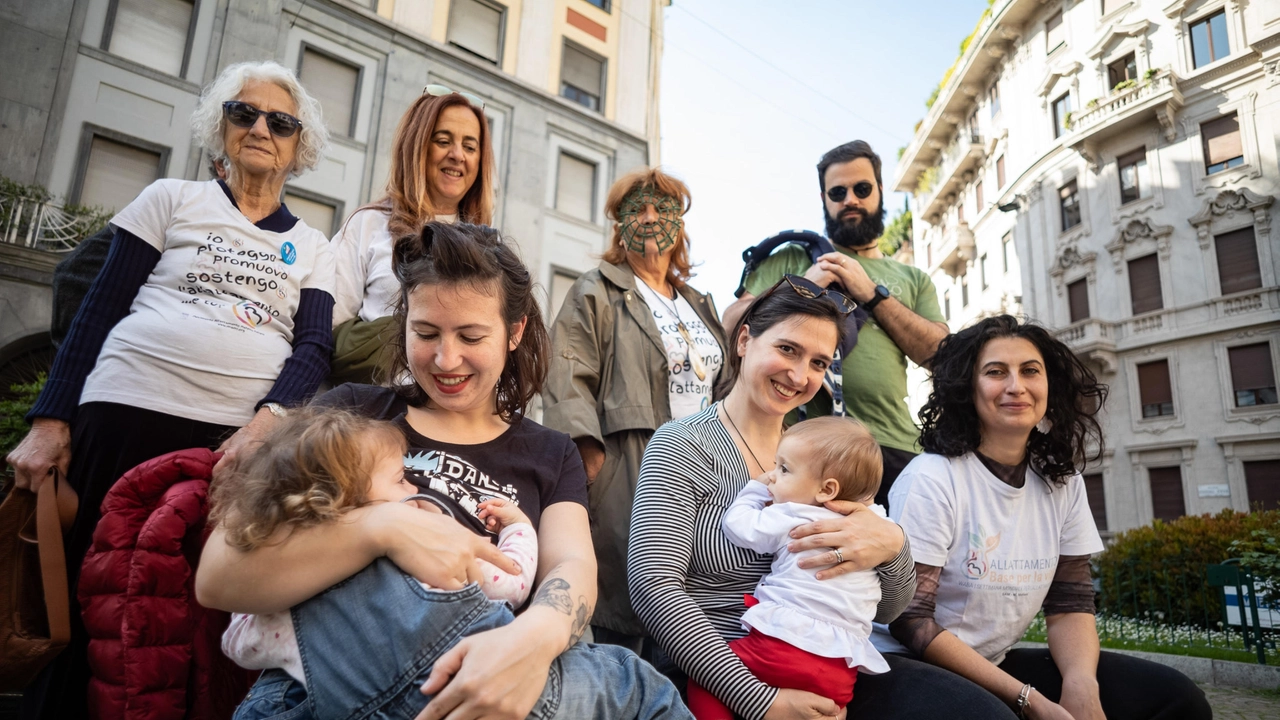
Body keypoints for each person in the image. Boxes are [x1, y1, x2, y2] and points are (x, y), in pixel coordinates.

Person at [198, 221, 682, 720]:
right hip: (325, 679)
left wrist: (531, 642)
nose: (445, 358)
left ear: (515, 332)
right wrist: (381, 528)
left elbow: (572, 568)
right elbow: (218, 575)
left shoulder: (551, 452)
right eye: (425, 333)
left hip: (485, 669)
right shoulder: (352, 413)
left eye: (471, 335)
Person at [8, 60, 335, 720]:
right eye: (243, 113)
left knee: (187, 622)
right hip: (123, 414)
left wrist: (266, 424)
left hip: (230, 446)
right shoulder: (168, 200)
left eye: (280, 121)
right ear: (220, 127)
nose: (260, 128)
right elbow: (98, 309)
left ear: (300, 146)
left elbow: (314, 349)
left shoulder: (313, 245)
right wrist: (50, 419)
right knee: (85, 597)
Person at [213, 407, 687, 720]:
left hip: (306, 700)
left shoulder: (291, 570)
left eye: (470, 335)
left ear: (514, 332)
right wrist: (517, 527)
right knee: (645, 688)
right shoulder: (428, 536)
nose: (414, 489)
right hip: (467, 685)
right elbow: (511, 582)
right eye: (401, 479)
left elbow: (242, 642)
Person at [875, 315, 1211, 720]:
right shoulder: (932, 478)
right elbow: (910, 623)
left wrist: (1081, 684)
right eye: (996, 372)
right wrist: (1028, 700)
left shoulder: (1061, 482)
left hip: (990, 663)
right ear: (968, 388)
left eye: (1030, 371)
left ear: (1049, 387)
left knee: (1175, 696)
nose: (1016, 386)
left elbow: (1070, 601)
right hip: (902, 664)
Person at [629, 275, 916, 720]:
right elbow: (653, 589)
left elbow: (890, 606)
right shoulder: (682, 445)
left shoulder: (825, 460)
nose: (800, 376)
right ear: (744, 340)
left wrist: (893, 547)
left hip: (823, 667)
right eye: (787, 349)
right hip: (712, 675)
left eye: (819, 363)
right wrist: (762, 701)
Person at [544, 167, 726, 652]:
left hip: (709, 477)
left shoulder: (699, 303)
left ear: (679, 223)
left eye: (662, 208)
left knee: (695, 614)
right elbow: (566, 373)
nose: (649, 217)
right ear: (618, 223)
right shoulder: (595, 290)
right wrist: (586, 457)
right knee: (628, 618)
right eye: (636, 208)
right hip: (632, 472)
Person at [722, 140, 948, 509]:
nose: (850, 200)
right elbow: (731, 325)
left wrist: (872, 295)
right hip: (805, 451)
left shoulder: (913, 278)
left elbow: (943, 355)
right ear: (824, 198)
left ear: (878, 190)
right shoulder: (793, 258)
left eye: (861, 189)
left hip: (895, 449)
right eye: (837, 192)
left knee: (894, 563)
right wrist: (804, 286)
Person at [687, 416, 891, 720]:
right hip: (841, 672)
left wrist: (755, 491)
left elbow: (739, 527)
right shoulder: (875, 525)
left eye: (783, 469)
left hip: (781, 649)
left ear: (826, 490)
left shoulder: (794, 515)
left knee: (704, 680)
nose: (772, 476)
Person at [329, 85, 495, 385]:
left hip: (451, 424)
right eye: (443, 141)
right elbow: (325, 331)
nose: (458, 155)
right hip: (375, 418)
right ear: (417, 146)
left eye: (470, 147)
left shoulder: (488, 247)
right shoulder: (367, 225)